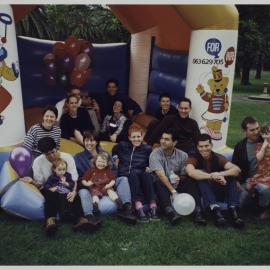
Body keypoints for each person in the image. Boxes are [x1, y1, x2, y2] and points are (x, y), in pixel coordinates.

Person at [21, 137, 98, 236]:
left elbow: (74, 179)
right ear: (43, 153)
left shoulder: (67, 158)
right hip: (51, 187)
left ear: (56, 148)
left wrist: (74, 192)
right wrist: (32, 182)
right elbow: (41, 184)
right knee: (50, 192)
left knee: (74, 192)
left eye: (53, 152)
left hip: (68, 185)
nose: (51, 156)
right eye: (47, 154)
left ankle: (81, 219)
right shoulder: (38, 162)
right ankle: (50, 220)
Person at [74, 131, 137, 224]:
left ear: (97, 142)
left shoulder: (105, 154)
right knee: (82, 191)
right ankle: (90, 217)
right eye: (86, 140)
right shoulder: (78, 157)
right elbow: (79, 177)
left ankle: (127, 208)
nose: (89, 143)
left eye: (92, 140)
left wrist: (107, 181)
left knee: (123, 179)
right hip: (92, 186)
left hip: (108, 183)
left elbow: (115, 171)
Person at [186, 134, 244, 229]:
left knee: (231, 177)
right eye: (201, 146)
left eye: (206, 146)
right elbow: (191, 173)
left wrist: (221, 174)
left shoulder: (218, 157)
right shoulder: (193, 158)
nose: (204, 149)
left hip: (218, 187)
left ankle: (234, 211)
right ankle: (216, 212)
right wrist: (212, 176)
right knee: (200, 175)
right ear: (197, 147)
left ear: (211, 145)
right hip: (203, 193)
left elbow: (237, 169)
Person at [149, 128, 206, 225]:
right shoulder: (155, 154)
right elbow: (160, 175)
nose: (162, 141)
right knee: (158, 181)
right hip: (163, 184)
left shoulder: (183, 155)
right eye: (162, 138)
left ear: (174, 143)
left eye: (167, 139)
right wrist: (173, 191)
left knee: (191, 181)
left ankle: (197, 212)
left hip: (177, 183)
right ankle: (170, 213)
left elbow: (184, 173)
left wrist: (180, 178)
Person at [112, 125, 159, 222]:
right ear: (129, 138)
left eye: (138, 137)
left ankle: (153, 206)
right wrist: (115, 157)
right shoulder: (122, 145)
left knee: (147, 175)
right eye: (133, 137)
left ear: (142, 137)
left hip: (139, 176)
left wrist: (149, 167)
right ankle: (139, 207)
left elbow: (151, 162)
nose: (136, 139)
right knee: (133, 174)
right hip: (125, 176)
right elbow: (114, 150)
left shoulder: (147, 149)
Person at [232, 116, 270, 219]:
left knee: (265, 189)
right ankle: (255, 200)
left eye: (257, 128)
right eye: (252, 130)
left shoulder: (266, 139)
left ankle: (265, 208)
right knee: (239, 204)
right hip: (249, 179)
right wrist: (236, 181)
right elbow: (234, 165)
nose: (256, 132)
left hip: (265, 178)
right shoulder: (240, 147)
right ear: (244, 131)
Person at [44, 158, 83, 222]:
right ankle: (62, 214)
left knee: (70, 199)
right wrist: (50, 188)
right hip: (57, 194)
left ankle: (71, 214)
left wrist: (66, 183)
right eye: (59, 170)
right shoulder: (52, 177)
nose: (62, 171)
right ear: (54, 169)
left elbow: (72, 183)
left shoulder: (68, 175)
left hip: (66, 192)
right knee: (61, 202)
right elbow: (47, 184)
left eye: (64, 169)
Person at [245, 124, 270, 219]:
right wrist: (264, 146)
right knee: (249, 186)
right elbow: (258, 158)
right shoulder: (260, 146)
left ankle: (267, 210)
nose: (267, 134)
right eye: (265, 133)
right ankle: (262, 206)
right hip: (263, 173)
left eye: (268, 132)